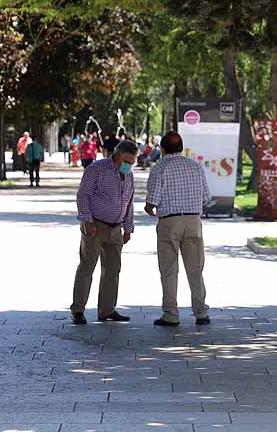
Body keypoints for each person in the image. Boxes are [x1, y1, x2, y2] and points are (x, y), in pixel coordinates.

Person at [143, 131, 211, 327]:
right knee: (196, 269)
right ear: (181, 148)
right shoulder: (195, 167)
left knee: (169, 270)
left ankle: (171, 315)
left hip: (169, 223)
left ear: (162, 149)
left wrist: (150, 208)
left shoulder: (159, 168)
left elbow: (152, 202)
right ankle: (201, 313)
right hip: (193, 222)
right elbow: (206, 197)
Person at [71, 140, 139, 325]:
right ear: (117, 156)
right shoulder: (96, 169)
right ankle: (78, 309)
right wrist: (86, 219)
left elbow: (129, 202)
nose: (129, 165)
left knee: (112, 270)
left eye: (132, 162)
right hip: (95, 226)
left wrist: (128, 227)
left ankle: (107, 309)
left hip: (116, 228)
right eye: (127, 161)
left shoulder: (129, 175)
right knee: (87, 267)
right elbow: (83, 195)